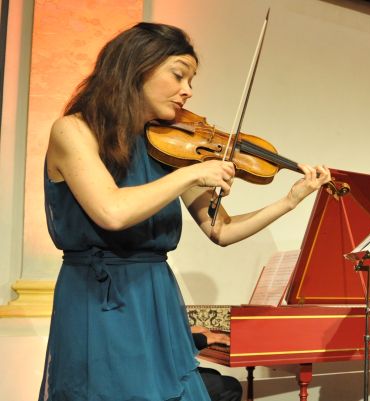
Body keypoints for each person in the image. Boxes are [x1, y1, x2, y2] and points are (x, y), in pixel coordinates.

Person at [38, 23, 332, 400]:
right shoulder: (73, 131)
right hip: (101, 299)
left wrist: (289, 201)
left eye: (191, 80)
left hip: (155, 296)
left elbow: (220, 230)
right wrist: (194, 172)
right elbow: (111, 211)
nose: (187, 91)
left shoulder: (167, 144)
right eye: (178, 75)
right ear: (136, 67)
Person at [191, 326, 242, 401]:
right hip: (169, 380)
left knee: (214, 373)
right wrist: (205, 338)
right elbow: (173, 343)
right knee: (232, 387)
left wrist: (188, 330)